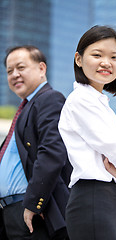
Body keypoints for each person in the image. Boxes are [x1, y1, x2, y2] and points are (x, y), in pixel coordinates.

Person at [58, 25, 116, 240]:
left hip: (105, 199)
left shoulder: (98, 102)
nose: (107, 62)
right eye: (97, 55)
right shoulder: (82, 101)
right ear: (78, 59)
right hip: (94, 198)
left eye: (114, 57)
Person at [0, 45, 72, 240]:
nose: (14, 74)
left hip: (33, 212)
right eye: (9, 71)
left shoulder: (49, 99)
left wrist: (33, 203)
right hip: (11, 212)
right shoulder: (25, 109)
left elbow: (51, 152)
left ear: (41, 69)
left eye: (21, 67)